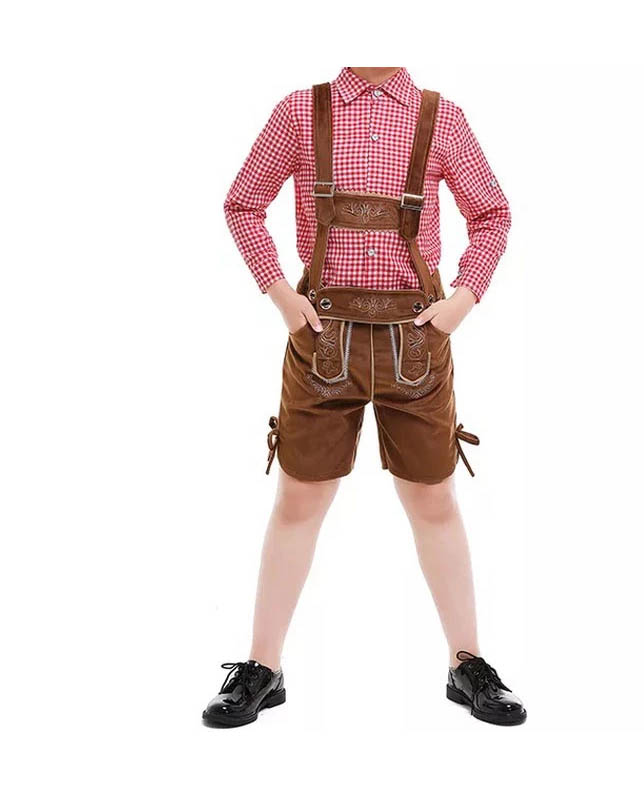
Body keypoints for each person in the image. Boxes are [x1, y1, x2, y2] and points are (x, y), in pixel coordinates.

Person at [202, 67, 526, 728]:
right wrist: (281, 296)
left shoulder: (442, 116)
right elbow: (242, 203)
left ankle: (466, 663)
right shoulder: (300, 110)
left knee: (434, 500)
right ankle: (263, 666)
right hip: (322, 338)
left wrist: (462, 301)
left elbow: (492, 214)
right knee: (298, 499)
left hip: (417, 342)